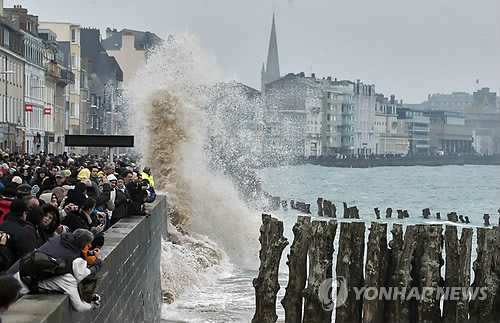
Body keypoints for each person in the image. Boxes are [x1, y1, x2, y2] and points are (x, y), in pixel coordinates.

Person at [11, 229, 103, 312]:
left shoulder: (59, 239)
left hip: (17, 274)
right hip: (20, 289)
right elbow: (78, 306)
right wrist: (91, 306)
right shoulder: (69, 280)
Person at [0, 200, 35, 268]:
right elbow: (28, 258)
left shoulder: (1, 226)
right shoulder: (24, 233)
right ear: (24, 213)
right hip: (12, 273)